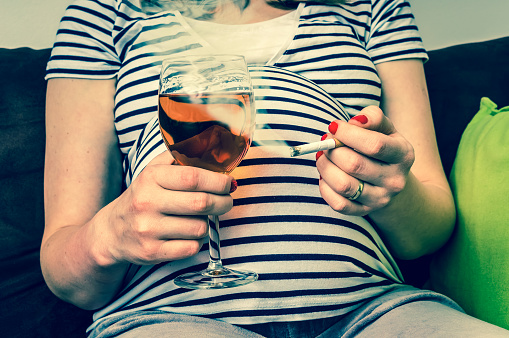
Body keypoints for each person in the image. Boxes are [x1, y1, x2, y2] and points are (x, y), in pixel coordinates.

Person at [41, 0, 509, 336]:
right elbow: (65, 271)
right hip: (169, 316)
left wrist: (389, 186)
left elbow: (429, 231)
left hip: (373, 310)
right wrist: (110, 234)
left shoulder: (373, 8)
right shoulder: (102, 13)